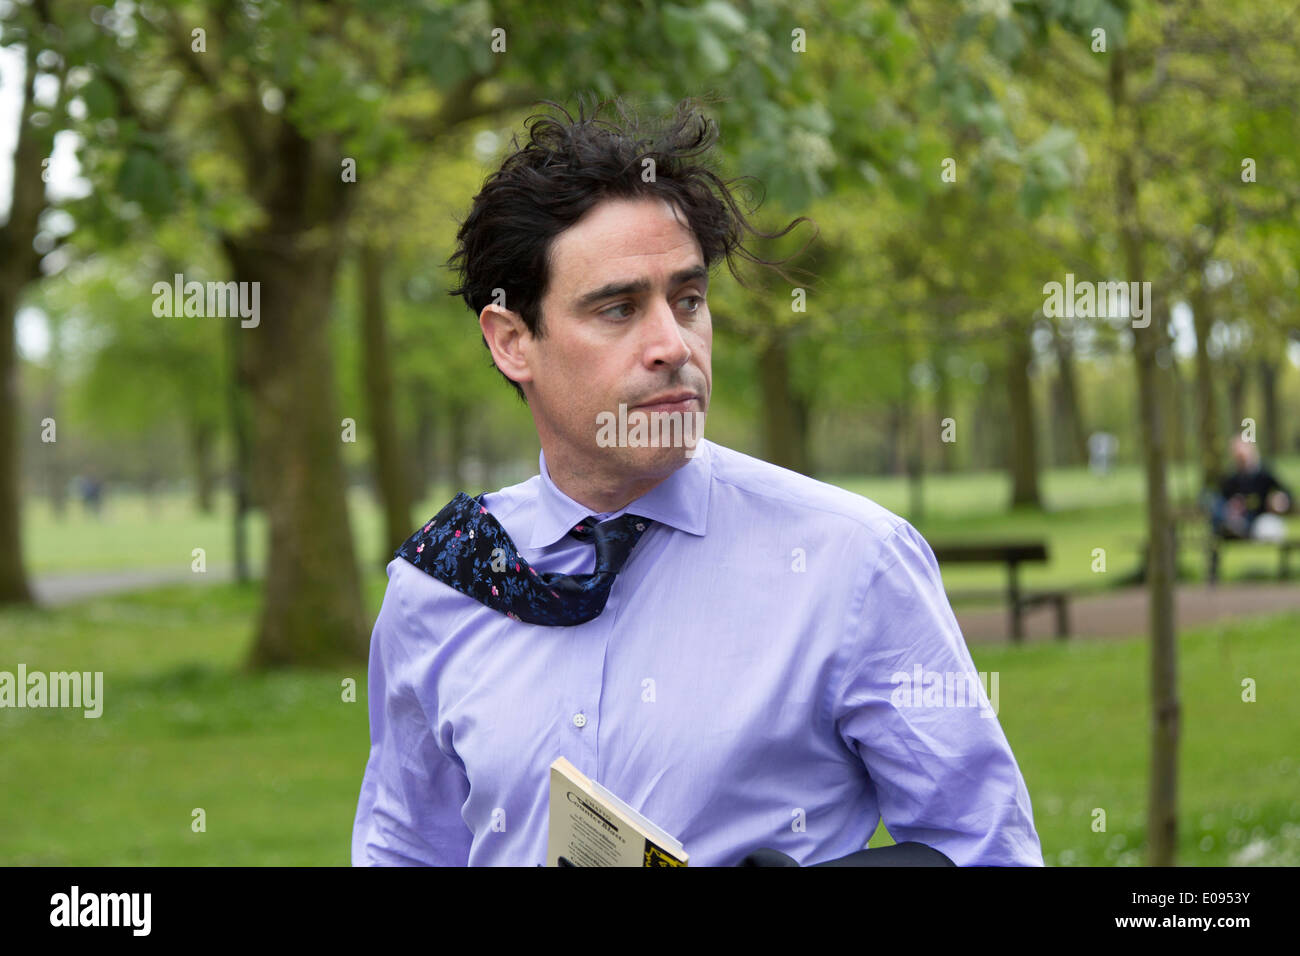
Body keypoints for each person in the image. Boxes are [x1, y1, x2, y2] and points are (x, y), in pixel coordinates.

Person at [350, 97, 1043, 867]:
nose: (672, 345)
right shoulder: (442, 587)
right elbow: (406, 849)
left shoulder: (851, 562)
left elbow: (988, 847)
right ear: (514, 340)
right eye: (618, 309)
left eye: (688, 300)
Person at [1207, 438, 1291, 541]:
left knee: (1265, 528)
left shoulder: (1264, 475)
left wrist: (1279, 500)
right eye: (1238, 458)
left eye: (1243, 457)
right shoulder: (1232, 478)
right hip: (1237, 519)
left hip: (1259, 519)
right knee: (1211, 501)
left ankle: (1235, 531)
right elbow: (1221, 499)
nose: (1241, 461)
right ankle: (1229, 530)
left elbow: (1286, 494)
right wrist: (1230, 507)